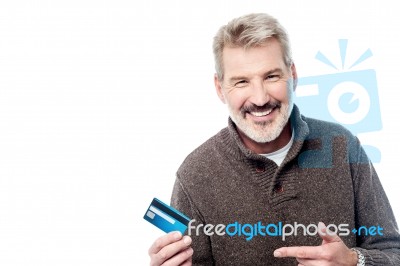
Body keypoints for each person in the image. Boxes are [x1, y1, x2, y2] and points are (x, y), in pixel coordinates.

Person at [148, 13, 400, 265]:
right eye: (242, 81)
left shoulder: (342, 146)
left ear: (293, 75)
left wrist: (355, 261)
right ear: (219, 88)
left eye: (271, 76)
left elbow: (393, 252)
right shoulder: (194, 175)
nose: (259, 98)